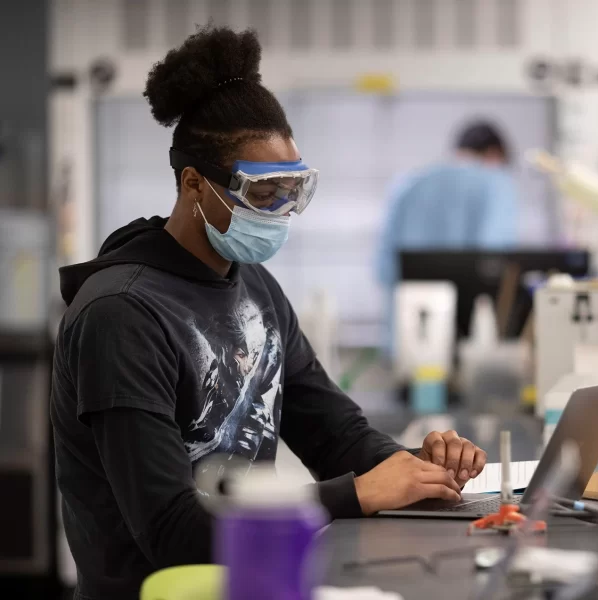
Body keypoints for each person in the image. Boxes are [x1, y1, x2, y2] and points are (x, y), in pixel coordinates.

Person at [50, 27, 487, 600]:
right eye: (264, 194)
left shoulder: (255, 287)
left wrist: (417, 467)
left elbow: (336, 434)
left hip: (252, 582)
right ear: (193, 186)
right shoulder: (121, 317)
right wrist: (355, 494)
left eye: (293, 190)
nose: (283, 212)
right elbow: (172, 531)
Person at [376, 121, 519, 351]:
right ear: (494, 154)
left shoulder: (408, 183)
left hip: (410, 330)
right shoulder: (496, 184)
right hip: (467, 337)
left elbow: (385, 267)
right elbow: (494, 264)